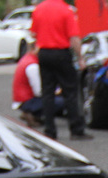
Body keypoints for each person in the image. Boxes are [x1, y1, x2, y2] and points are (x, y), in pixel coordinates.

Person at [31, 0, 89, 139]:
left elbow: (33, 34)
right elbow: (74, 37)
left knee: (47, 92)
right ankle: (76, 129)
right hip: (61, 53)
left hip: (44, 53)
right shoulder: (66, 11)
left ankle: (50, 129)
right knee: (70, 91)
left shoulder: (38, 9)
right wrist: (80, 57)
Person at [12, 50, 45, 127]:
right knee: (60, 101)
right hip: (27, 100)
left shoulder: (26, 59)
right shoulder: (33, 66)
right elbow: (38, 92)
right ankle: (32, 113)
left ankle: (33, 114)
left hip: (20, 99)